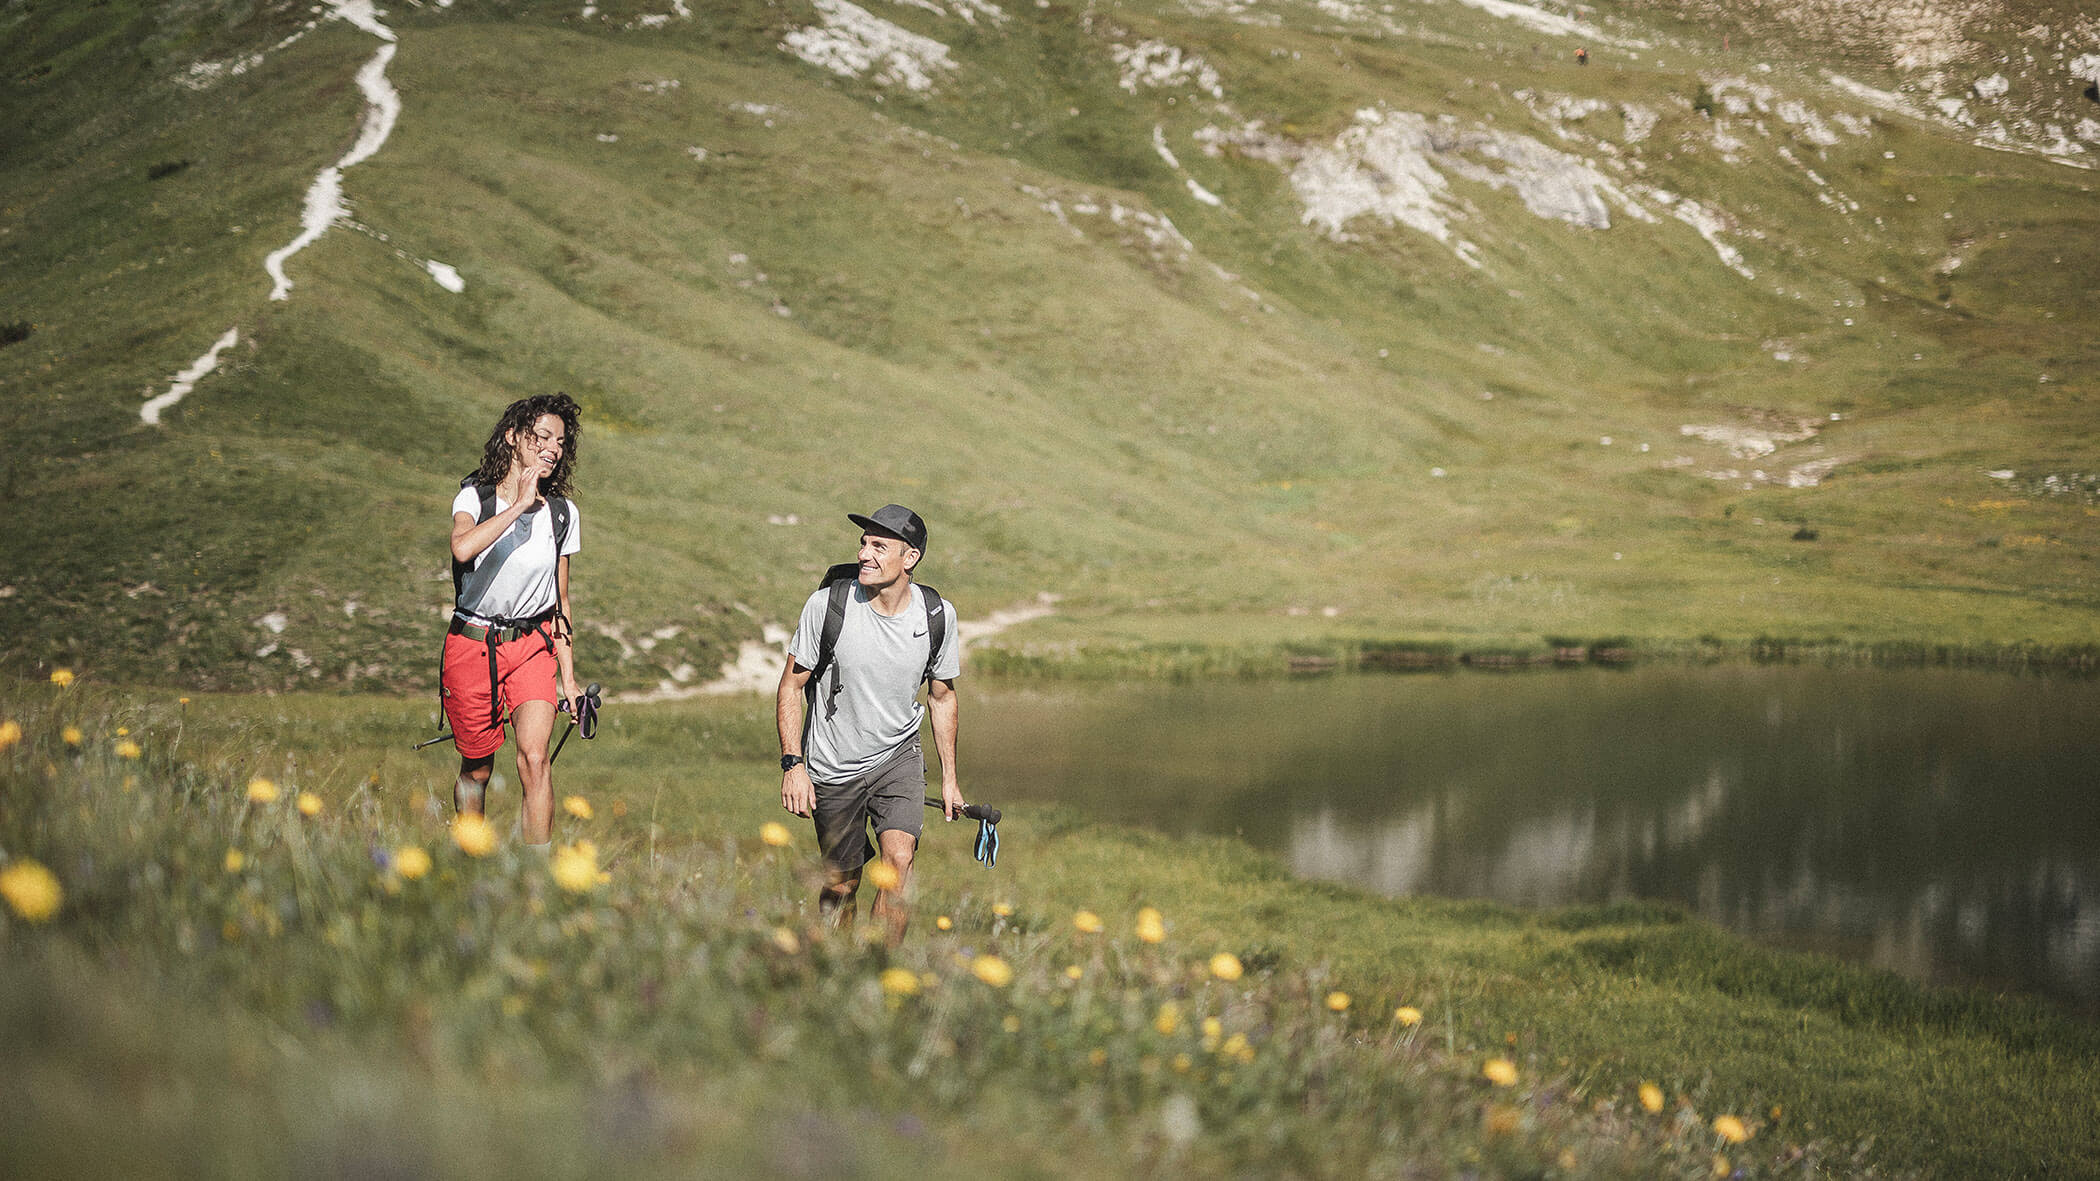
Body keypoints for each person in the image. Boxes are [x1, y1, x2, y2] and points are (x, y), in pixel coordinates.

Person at [776, 504, 963, 944]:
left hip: (897, 756)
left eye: (879, 546)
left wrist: (950, 779)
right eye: (863, 544)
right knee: (843, 884)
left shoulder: (937, 615)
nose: (864, 554)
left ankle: (880, 978)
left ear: (910, 558)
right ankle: (835, 970)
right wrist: (793, 765)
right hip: (833, 765)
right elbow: (789, 688)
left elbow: (942, 697)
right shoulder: (828, 605)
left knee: (898, 864)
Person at [442, 393, 584, 845]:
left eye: (560, 442)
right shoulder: (474, 497)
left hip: (533, 646)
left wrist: (570, 680)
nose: (552, 448)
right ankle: (469, 862)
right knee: (478, 768)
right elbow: (462, 548)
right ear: (512, 438)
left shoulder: (562, 514)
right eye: (541, 436)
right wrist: (519, 504)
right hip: (473, 643)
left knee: (535, 758)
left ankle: (536, 883)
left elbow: (560, 602)